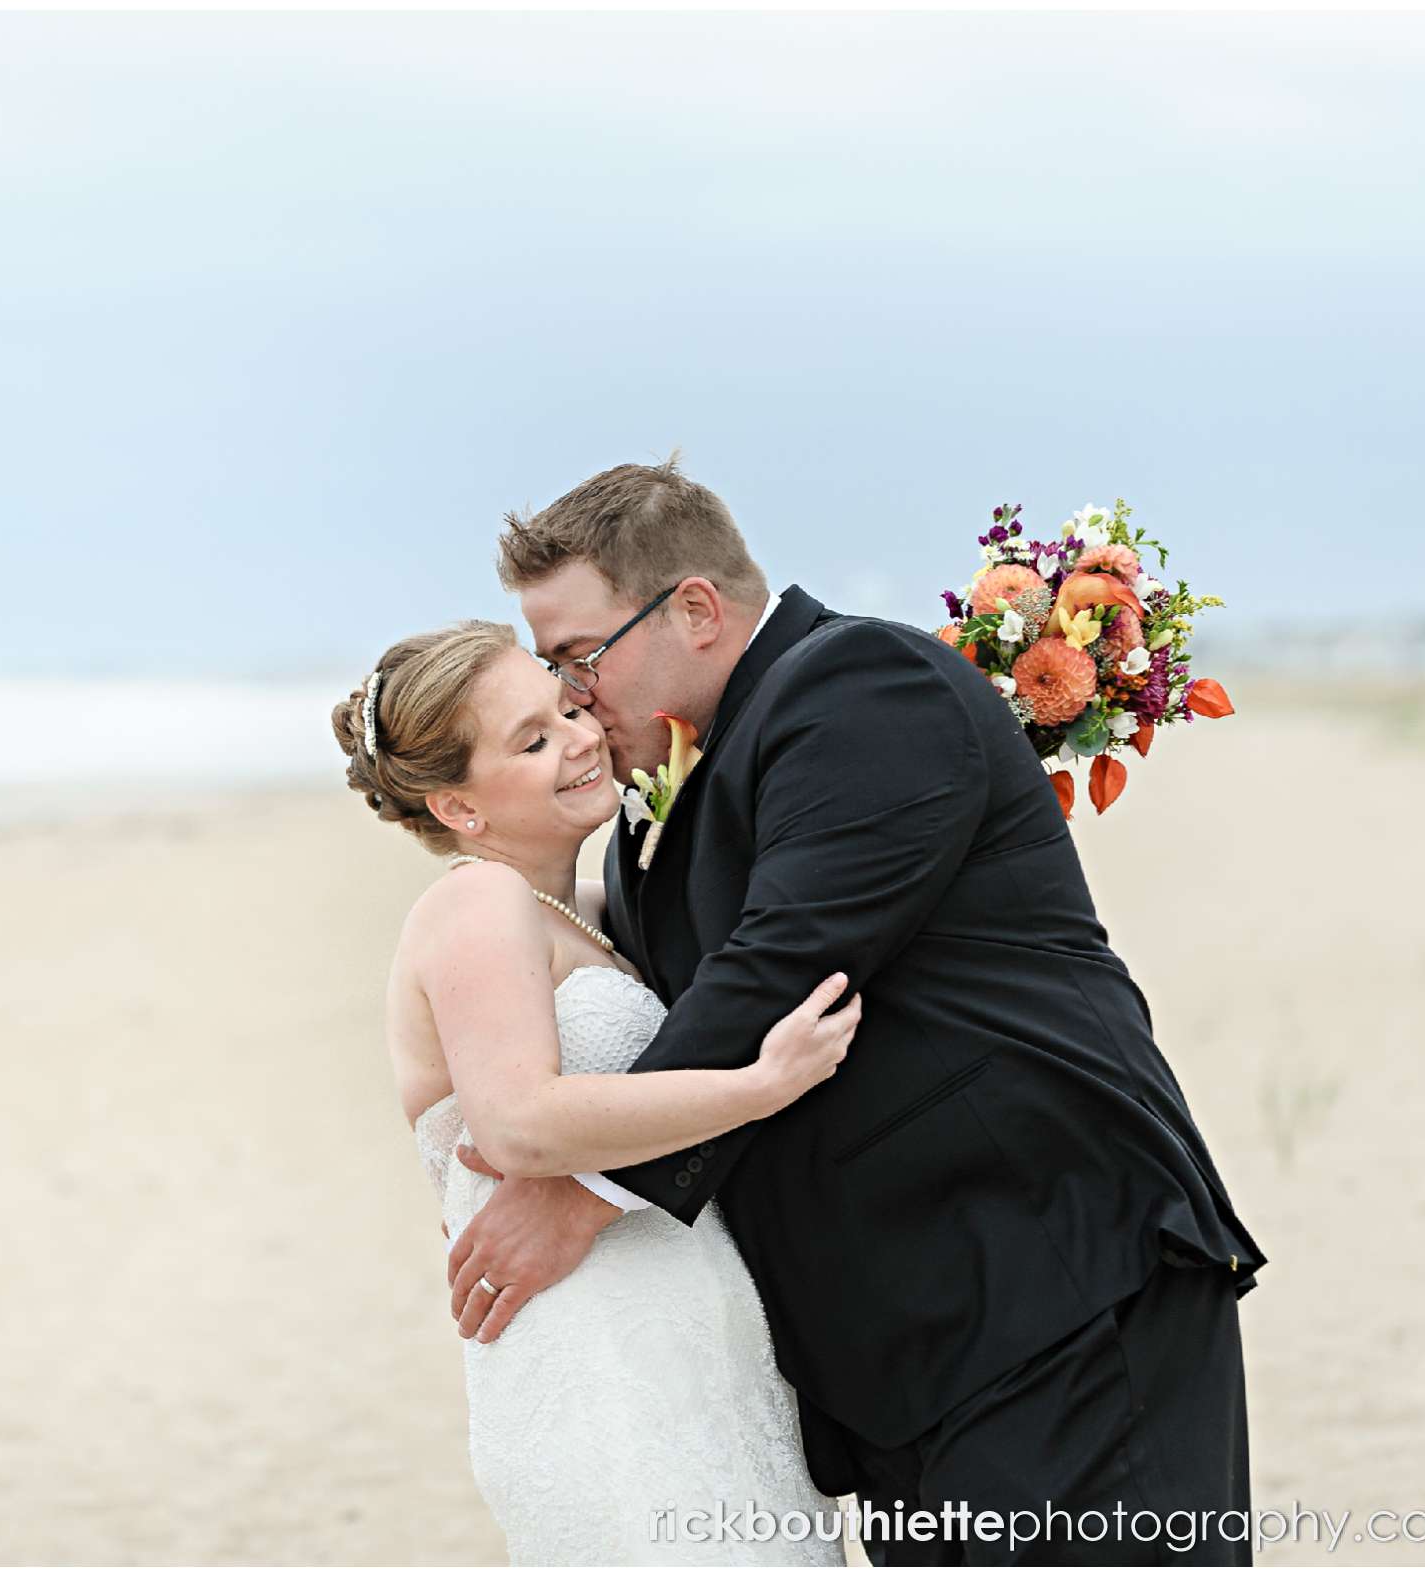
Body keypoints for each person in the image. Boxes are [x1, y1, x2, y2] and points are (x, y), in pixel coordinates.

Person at [445, 456, 1268, 1565]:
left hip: (1048, 1279)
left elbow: (783, 961)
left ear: (693, 607)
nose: (572, 694)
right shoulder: (661, 805)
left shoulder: (860, 683)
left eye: (576, 657)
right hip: (897, 1351)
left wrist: (585, 1191)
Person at [335, 618, 851, 1565]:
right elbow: (520, 1123)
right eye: (531, 741)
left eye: (566, 707)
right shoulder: (474, 904)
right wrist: (756, 1085)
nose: (577, 738)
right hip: (600, 1363)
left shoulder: (594, 909)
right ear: (458, 807)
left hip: (697, 1349)